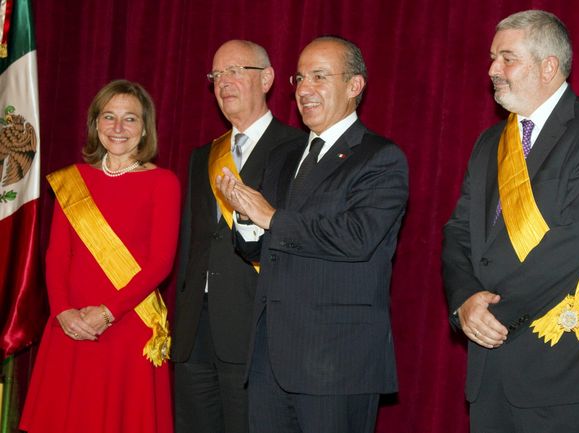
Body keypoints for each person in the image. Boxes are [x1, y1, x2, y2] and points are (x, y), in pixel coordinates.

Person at [442, 10, 579, 433]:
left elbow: (576, 241)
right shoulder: (490, 142)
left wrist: (495, 314)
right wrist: (465, 300)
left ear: (548, 67)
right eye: (493, 58)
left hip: (566, 363)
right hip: (490, 364)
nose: (492, 70)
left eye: (507, 58)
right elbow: (458, 232)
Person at [217, 36, 408, 433]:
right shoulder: (284, 156)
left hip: (336, 361)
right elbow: (260, 248)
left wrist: (271, 217)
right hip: (270, 358)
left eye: (319, 77)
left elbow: (357, 237)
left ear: (354, 85)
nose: (304, 89)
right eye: (300, 78)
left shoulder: (379, 157)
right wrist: (246, 217)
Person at [19, 80, 180, 433]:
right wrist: (63, 311)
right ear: (95, 124)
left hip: (127, 324)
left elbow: (161, 263)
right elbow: (56, 254)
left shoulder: (164, 182)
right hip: (71, 325)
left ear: (145, 129)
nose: (118, 127)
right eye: (109, 116)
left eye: (130, 118)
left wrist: (107, 313)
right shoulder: (73, 180)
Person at [171, 39, 304, 433]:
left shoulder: (298, 149)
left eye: (234, 71)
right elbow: (193, 243)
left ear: (267, 79)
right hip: (195, 329)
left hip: (255, 327)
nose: (223, 82)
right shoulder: (203, 156)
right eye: (216, 75)